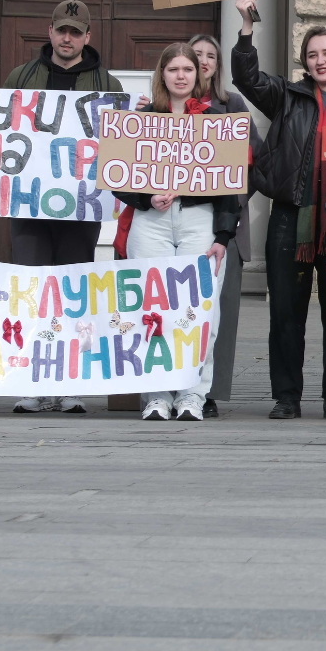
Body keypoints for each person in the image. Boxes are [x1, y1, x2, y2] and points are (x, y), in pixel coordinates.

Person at [231, 0, 326, 420]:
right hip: (290, 216)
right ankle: (287, 397)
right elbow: (247, 78)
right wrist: (246, 26)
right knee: (285, 313)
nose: (320, 61)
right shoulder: (287, 96)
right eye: (312, 54)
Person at [2, 0, 125, 415]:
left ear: (88, 36)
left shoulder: (107, 84)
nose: (67, 38)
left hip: (80, 209)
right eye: (61, 30)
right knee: (33, 294)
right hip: (29, 207)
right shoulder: (22, 77)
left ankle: (70, 383)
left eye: (75, 31)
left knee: (73, 295)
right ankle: (33, 383)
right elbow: (0, 132)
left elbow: (119, 145)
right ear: (50, 32)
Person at [113, 43, 237, 421]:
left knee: (201, 310)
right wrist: (145, 197)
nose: (181, 75)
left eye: (188, 69)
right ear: (162, 75)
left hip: (200, 219)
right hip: (151, 223)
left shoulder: (217, 120)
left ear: (198, 75)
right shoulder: (141, 119)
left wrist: (223, 235)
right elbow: (118, 176)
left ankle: (193, 395)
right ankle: (156, 394)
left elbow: (232, 183)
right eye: (173, 69)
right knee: (152, 309)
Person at [185, 33, 253, 419]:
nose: (205, 61)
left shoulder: (232, 104)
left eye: (211, 55)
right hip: (175, 220)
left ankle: (208, 390)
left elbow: (252, 157)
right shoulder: (163, 107)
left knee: (218, 312)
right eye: (197, 55)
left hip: (223, 222)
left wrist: (235, 200)